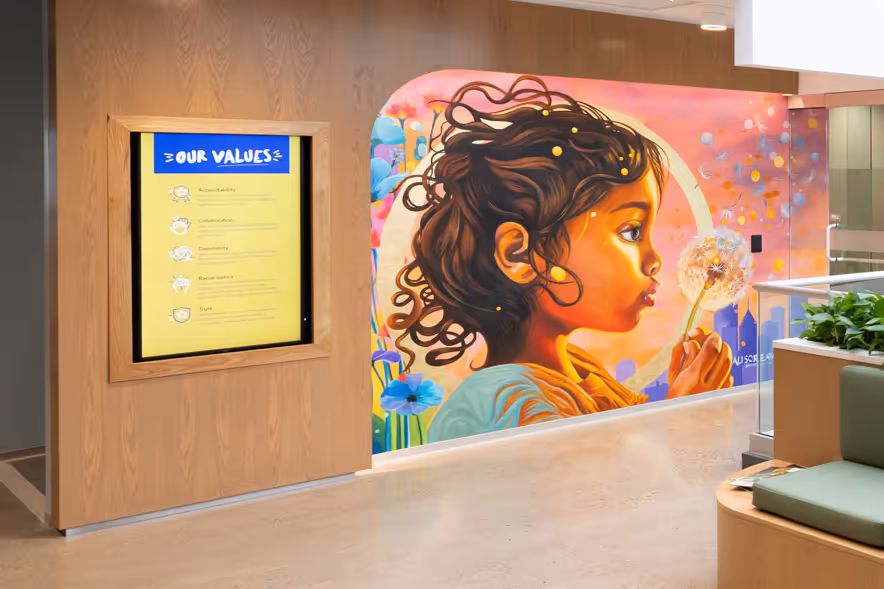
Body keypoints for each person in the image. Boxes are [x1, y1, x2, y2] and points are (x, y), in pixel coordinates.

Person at [386, 76, 733, 442]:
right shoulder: (507, 407)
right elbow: (606, 495)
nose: (654, 260)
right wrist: (683, 417)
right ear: (518, 254)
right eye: (631, 231)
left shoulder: (578, 372)